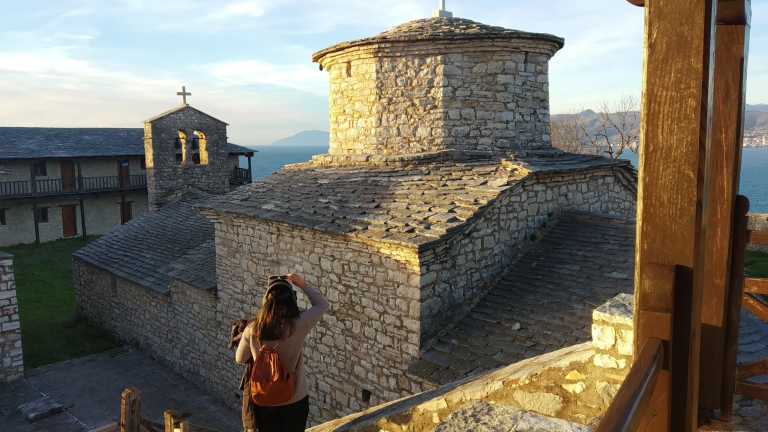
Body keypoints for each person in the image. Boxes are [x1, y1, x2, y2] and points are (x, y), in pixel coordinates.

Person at [236, 273, 329, 432]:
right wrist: (302, 284)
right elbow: (322, 305)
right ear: (292, 301)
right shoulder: (300, 324)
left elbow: (240, 358)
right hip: (295, 399)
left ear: (266, 302)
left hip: (264, 400)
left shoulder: (252, 330)